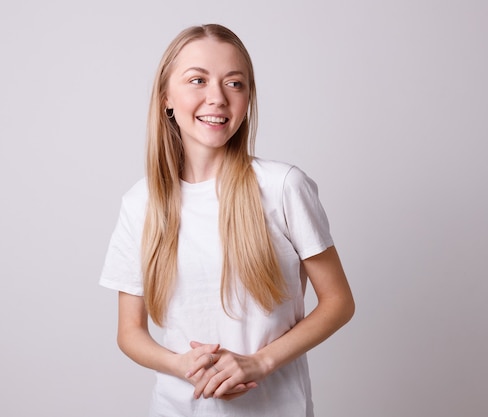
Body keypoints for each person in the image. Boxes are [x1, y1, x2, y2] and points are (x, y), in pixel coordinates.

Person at [99, 23, 355, 417]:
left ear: (247, 99)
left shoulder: (283, 187)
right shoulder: (141, 203)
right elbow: (129, 332)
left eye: (234, 84)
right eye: (197, 80)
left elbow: (338, 302)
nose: (216, 98)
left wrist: (259, 363)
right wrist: (181, 366)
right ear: (167, 97)